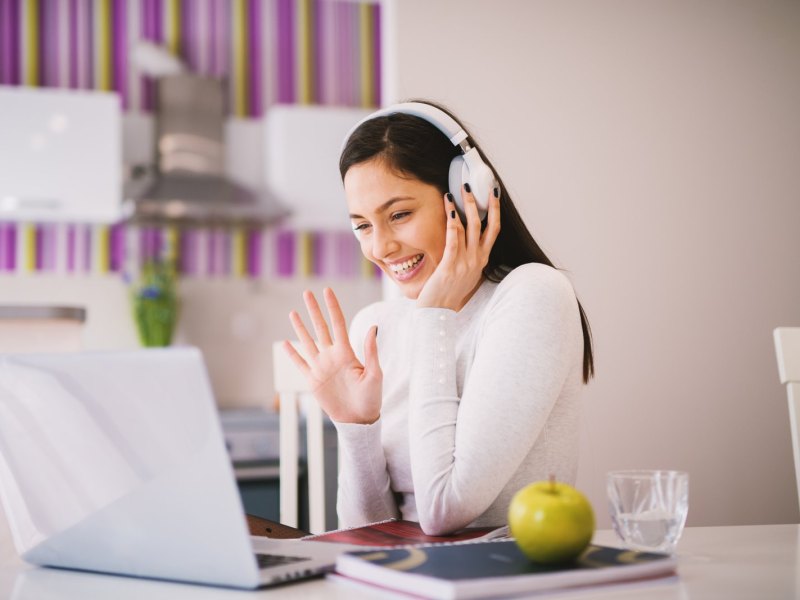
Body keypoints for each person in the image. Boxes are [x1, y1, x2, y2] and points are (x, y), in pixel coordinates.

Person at [284, 100, 594, 536]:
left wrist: (434, 317)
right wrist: (357, 427)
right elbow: (369, 534)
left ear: (469, 197)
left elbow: (444, 510)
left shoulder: (533, 296)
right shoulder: (377, 327)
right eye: (362, 226)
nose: (381, 247)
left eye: (399, 215)